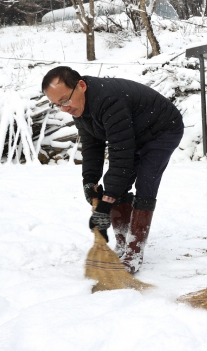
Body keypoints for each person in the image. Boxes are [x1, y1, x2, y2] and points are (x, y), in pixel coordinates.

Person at [41, 66, 184, 274]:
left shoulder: (108, 99)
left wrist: (108, 201)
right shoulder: (78, 105)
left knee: (146, 180)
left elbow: (121, 152)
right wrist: (90, 182)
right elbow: (92, 146)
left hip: (162, 129)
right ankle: (122, 243)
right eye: (57, 105)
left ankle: (134, 251)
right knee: (116, 184)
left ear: (81, 85)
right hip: (135, 132)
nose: (64, 108)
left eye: (65, 100)